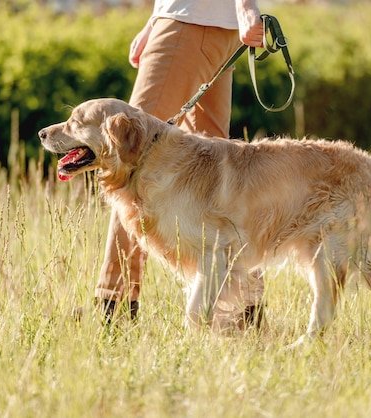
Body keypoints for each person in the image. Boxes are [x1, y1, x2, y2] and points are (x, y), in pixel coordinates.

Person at [94, 0, 266, 325]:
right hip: (205, 24)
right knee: (215, 179)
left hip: (187, 24)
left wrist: (245, 6)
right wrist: (154, 20)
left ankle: (112, 307)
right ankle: (244, 309)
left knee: (129, 164)